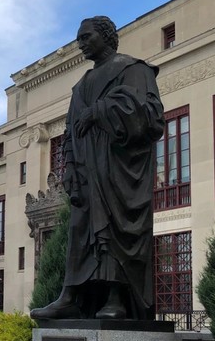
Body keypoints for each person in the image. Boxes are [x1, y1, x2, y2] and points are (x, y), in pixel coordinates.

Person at [31, 16, 165, 321]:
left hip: (118, 170)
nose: (80, 43)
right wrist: (68, 169)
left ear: (106, 36)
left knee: (114, 232)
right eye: (78, 38)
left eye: (86, 36)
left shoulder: (133, 70)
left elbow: (151, 115)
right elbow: (69, 132)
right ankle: (70, 295)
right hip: (87, 172)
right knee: (80, 233)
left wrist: (101, 111)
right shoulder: (80, 87)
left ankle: (116, 297)